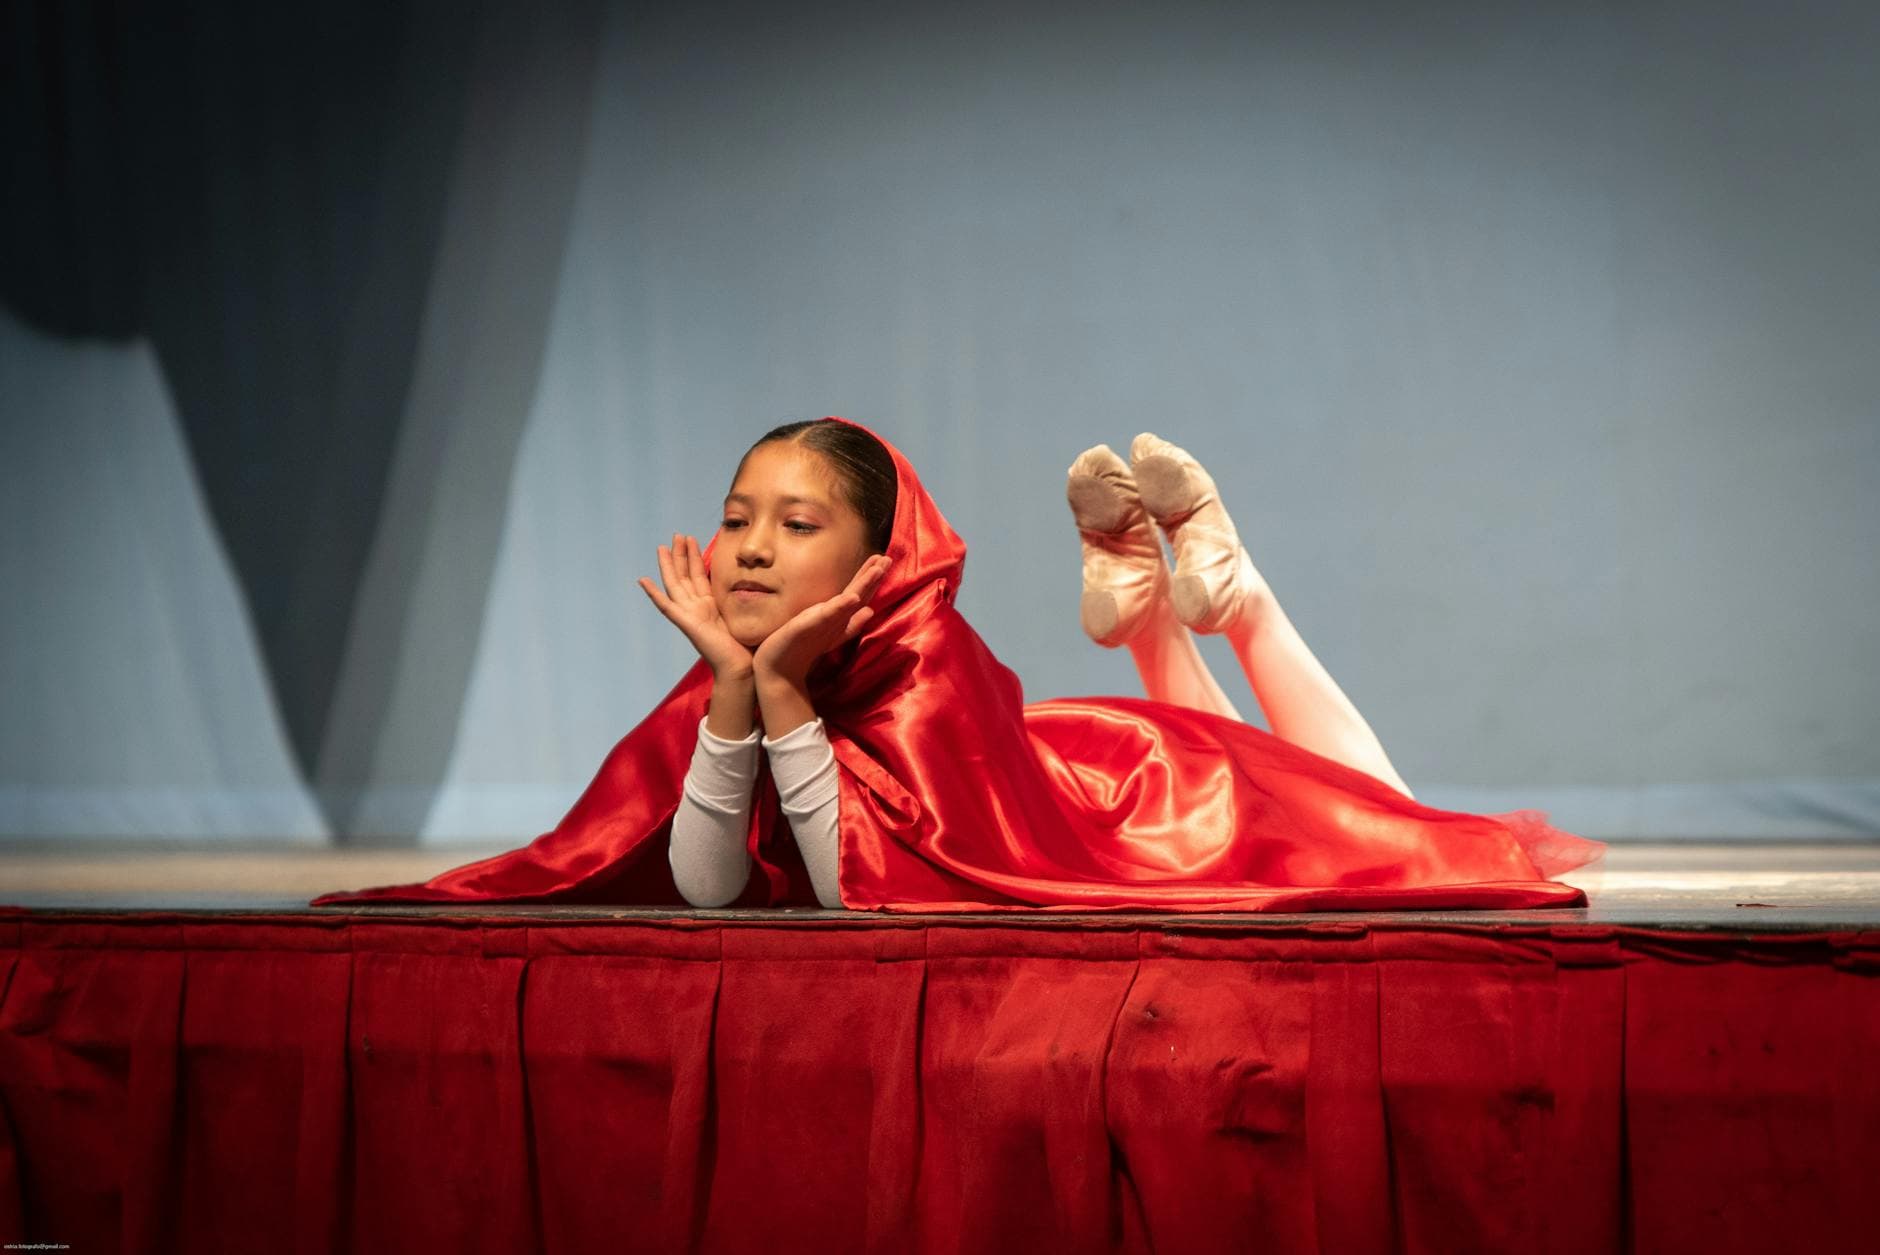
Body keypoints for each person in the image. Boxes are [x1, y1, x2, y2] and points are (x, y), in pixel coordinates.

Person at [312, 417, 1602, 912]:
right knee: (1381, 816)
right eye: (738, 516)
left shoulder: (926, 666)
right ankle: (1166, 611)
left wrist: (777, 697)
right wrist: (737, 694)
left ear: (883, 562)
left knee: (1413, 831)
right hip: (1070, 765)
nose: (749, 548)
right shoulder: (731, 676)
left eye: (796, 525)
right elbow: (704, 893)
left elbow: (863, 896)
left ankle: (1230, 599)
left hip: (1148, 799)